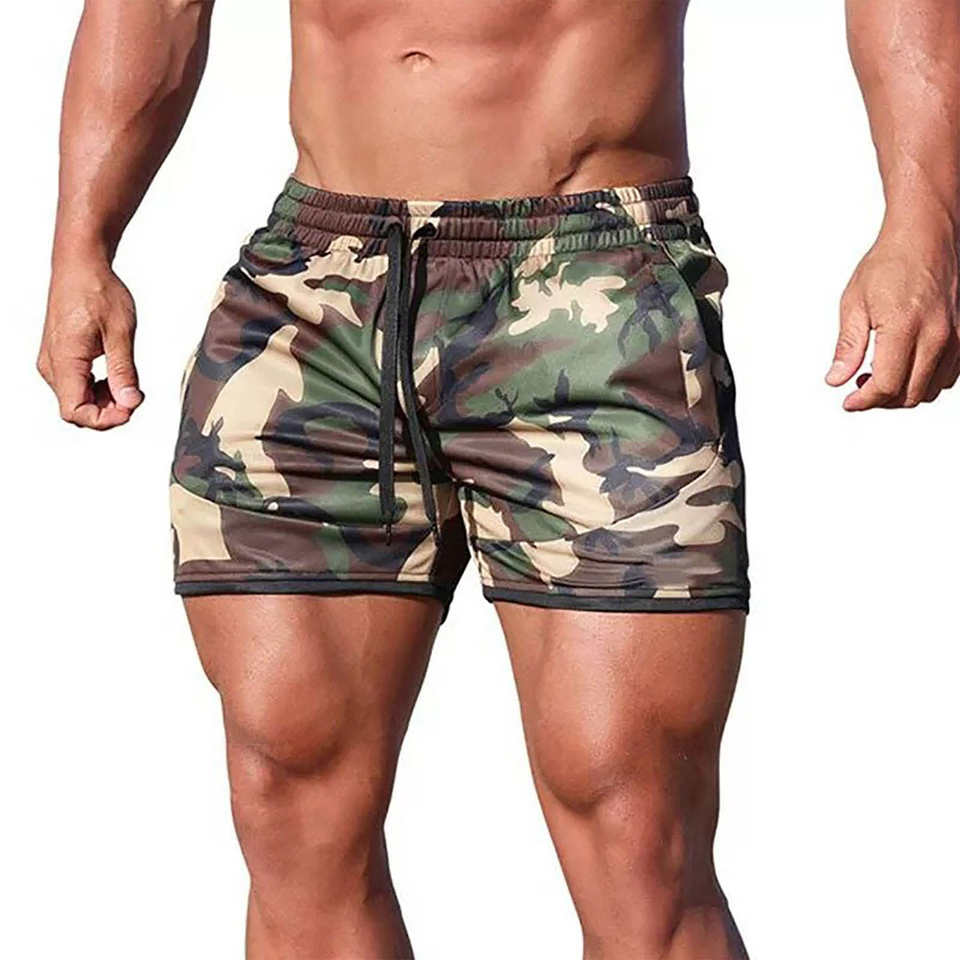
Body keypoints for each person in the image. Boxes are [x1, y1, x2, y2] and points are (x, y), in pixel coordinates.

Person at [36, 2, 959, 958]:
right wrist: (81, 247)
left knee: (634, 826)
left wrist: (921, 227)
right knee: (290, 795)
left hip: (593, 284)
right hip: (315, 294)